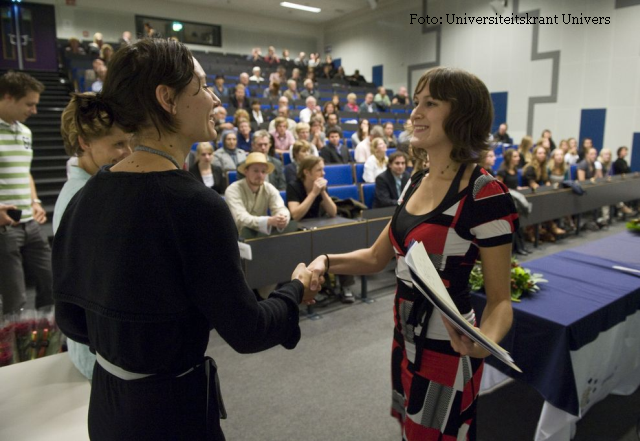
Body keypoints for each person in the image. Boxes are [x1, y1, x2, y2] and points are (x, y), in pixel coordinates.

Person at [52, 39, 315, 441]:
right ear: (167, 99)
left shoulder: (84, 196)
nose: (215, 99)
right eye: (203, 87)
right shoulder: (196, 206)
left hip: (107, 405)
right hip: (170, 413)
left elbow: (72, 320)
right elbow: (248, 331)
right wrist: (296, 288)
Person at [306, 67, 518, 440]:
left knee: (435, 434)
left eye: (430, 103)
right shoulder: (415, 181)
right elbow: (376, 257)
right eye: (416, 102)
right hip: (405, 334)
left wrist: (486, 342)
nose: (414, 113)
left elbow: (501, 301)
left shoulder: (486, 193)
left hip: (449, 345)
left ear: (463, 115)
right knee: (410, 428)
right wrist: (325, 260)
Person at [54, 93, 133, 379]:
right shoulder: (82, 199)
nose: (127, 152)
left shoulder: (93, 188)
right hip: (98, 358)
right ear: (84, 143)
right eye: (117, 144)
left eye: (129, 142)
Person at [0, 71, 52, 316]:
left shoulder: (25, 132)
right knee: (15, 295)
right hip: (5, 225)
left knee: (51, 280)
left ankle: (46, 340)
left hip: (30, 222)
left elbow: (26, 172)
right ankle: (14, 349)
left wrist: (35, 200)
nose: (34, 110)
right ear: (8, 98)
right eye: (29, 104)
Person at [287, 157, 356, 303]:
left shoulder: (321, 187)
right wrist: (313, 193)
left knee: (342, 244)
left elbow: (332, 212)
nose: (323, 173)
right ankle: (313, 288)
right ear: (306, 172)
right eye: (319, 170)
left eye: (323, 169)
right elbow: (296, 215)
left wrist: (323, 192)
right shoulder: (294, 186)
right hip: (300, 231)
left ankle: (346, 287)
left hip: (318, 226)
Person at [225, 152, 290, 236]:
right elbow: (240, 218)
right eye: (255, 171)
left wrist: (282, 218)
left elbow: (281, 208)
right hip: (236, 237)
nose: (260, 175)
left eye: (263, 171)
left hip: (261, 236)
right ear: (246, 172)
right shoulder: (233, 190)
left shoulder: (269, 188)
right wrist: (268, 221)